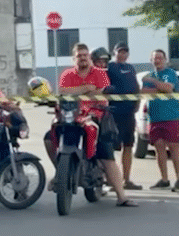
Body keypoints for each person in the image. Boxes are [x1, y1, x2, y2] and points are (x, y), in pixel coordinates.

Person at [50, 42, 137, 207]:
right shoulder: (67, 74)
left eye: (85, 55)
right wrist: (87, 88)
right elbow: (62, 91)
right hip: (72, 116)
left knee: (106, 154)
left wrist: (78, 90)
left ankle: (121, 196)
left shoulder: (99, 73)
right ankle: (60, 173)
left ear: (89, 57)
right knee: (49, 137)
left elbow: (102, 91)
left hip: (97, 116)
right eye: (79, 56)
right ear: (73, 58)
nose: (82, 58)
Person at [141, 49, 179, 192]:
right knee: (159, 147)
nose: (157, 60)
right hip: (155, 117)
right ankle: (164, 180)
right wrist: (159, 89)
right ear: (151, 60)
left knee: (174, 147)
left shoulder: (170, 73)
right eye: (154, 58)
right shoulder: (149, 74)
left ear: (165, 59)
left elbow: (169, 88)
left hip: (171, 116)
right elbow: (144, 92)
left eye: (160, 57)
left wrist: (153, 83)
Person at [106, 42, 142, 190]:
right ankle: (111, 180)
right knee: (111, 147)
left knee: (128, 145)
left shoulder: (130, 68)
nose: (122, 54)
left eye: (125, 52)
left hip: (129, 113)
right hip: (113, 112)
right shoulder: (109, 67)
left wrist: (138, 102)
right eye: (120, 51)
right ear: (114, 52)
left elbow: (136, 87)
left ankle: (126, 180)